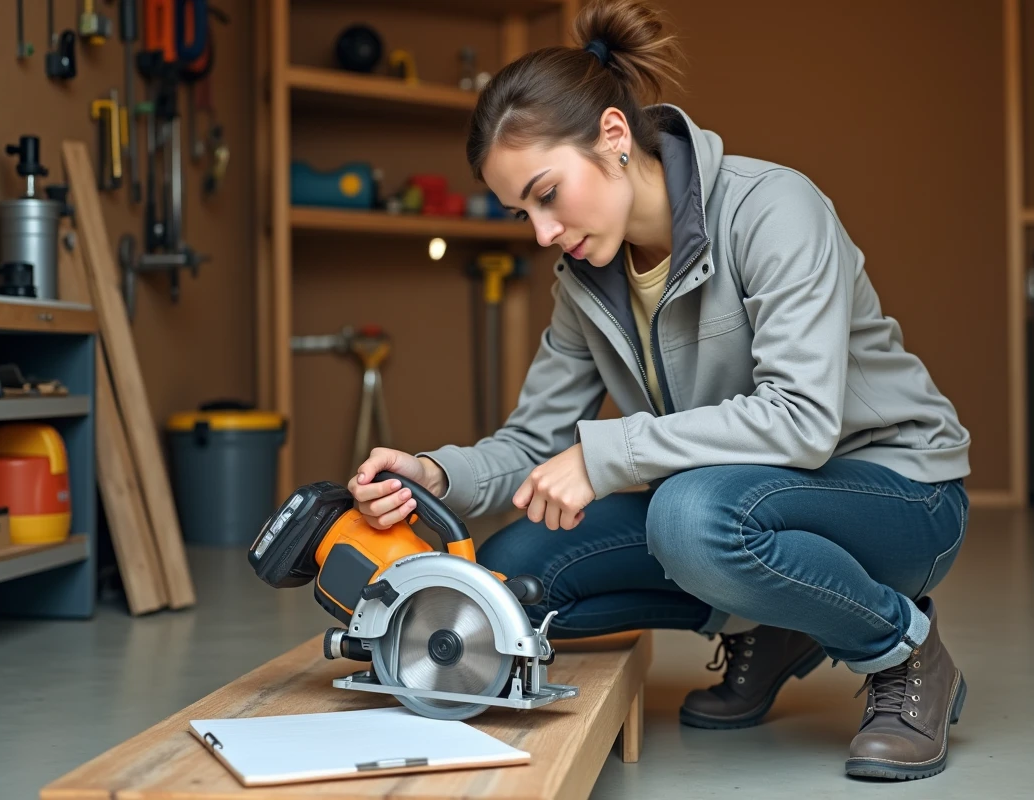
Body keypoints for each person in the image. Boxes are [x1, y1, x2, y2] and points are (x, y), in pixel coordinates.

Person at [348, 0, 971, 781]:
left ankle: (906, 653)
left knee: (691, 517)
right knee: (511, 581)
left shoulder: (773, 209)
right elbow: (535, 444)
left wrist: (611, 452)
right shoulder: (584, 280)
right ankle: (776, 620)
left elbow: (804, 420)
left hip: (900, 496)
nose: (541, 233)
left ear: (613, 137)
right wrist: (437, 475)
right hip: (739, 501)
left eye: (547, 194)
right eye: (521, 213)